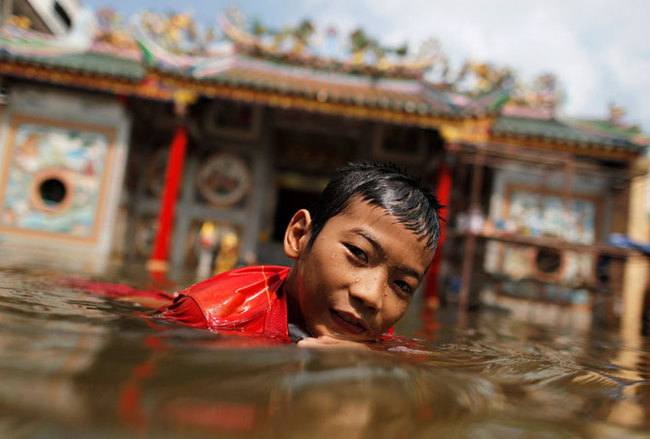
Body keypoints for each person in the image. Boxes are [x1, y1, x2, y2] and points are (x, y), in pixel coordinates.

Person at [161, 162, 443, 347]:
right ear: (299, 236)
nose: (371, 296)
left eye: (401, 285)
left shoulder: (370, 330)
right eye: (358, 252)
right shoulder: (209, 317)